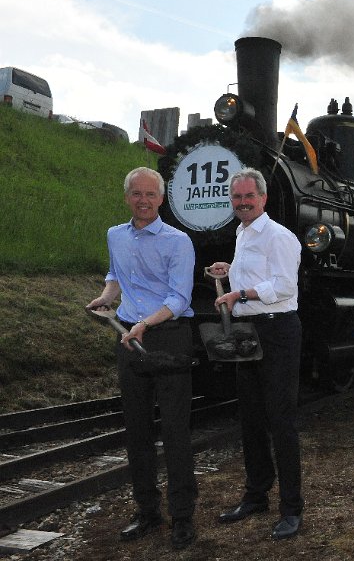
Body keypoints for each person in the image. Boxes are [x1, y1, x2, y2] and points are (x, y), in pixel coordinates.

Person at [86, 167, 197, 550]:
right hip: (131, 338)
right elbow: (116, 274)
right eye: (137, 194)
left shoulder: (178, 241)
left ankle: (183, 517)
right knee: (136, 430)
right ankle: (148, 512)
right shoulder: (115, 235)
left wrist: (145, 324)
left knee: (175, 433)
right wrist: (107, 297)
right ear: (127, 197)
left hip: (169, 338)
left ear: (161, 199)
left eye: (151, 195)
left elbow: (179, 297)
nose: (144, 201)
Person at [210, 168, 305, 539]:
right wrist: (230, 272)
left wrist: (239, 294)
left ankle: (292, 508)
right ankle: (256, 495)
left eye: (249, 197)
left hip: (278, 331)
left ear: (263, 198)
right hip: (248, 331)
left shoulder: (280, 236)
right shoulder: (242, 232)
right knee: (250, 418)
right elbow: (258, 273)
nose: (243, 203)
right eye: (237, 198)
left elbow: (283, 285)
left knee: (281, 421)